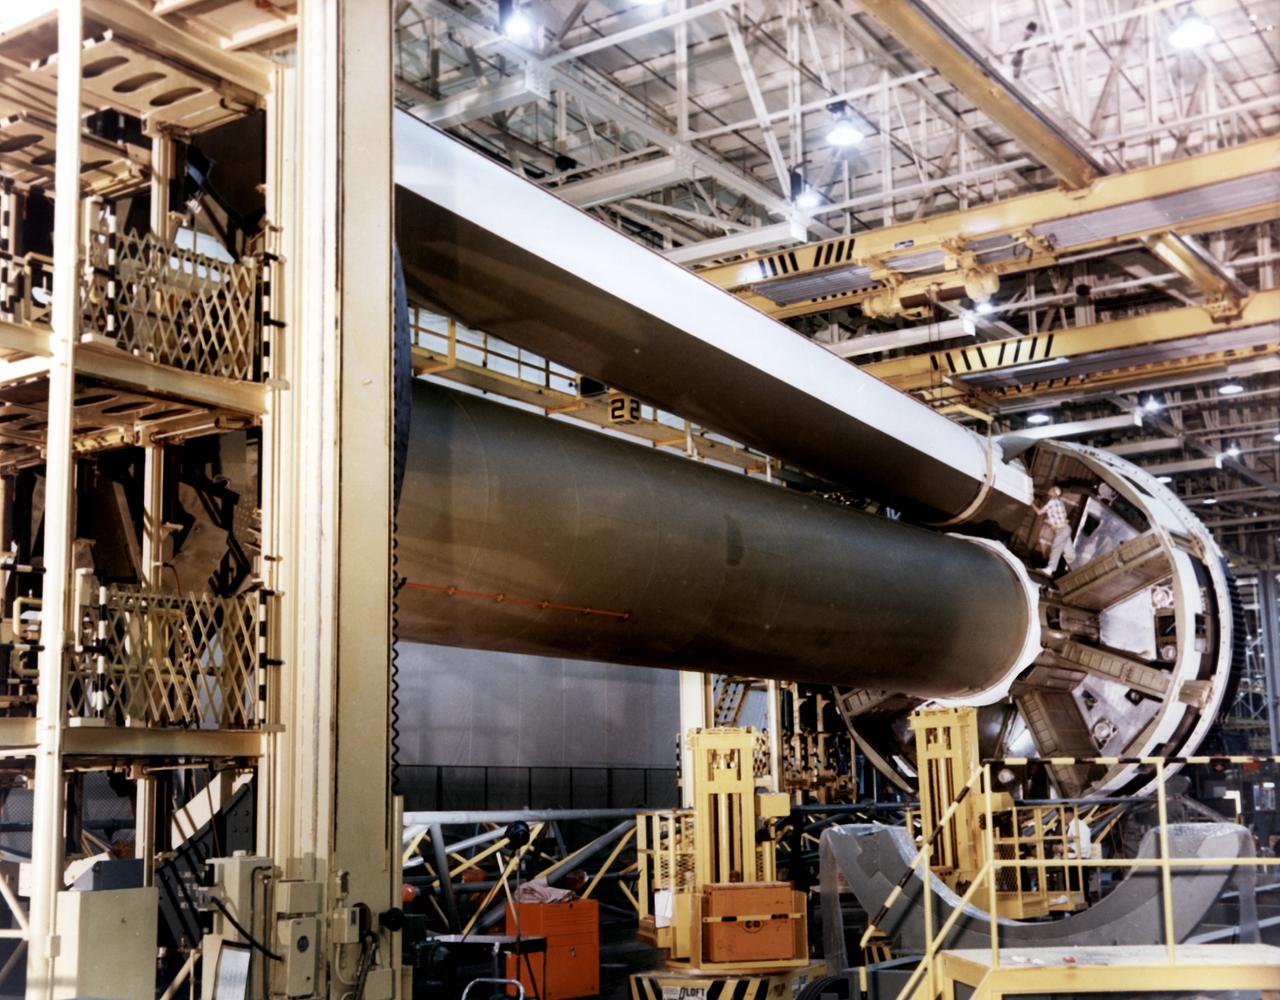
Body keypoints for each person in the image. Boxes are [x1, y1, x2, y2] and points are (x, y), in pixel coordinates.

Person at [1033, 485, 1075, 574]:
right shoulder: (1059, 502)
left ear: (1055, 493)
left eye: (1051, 489)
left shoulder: (1052, 501)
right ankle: (1074, 566)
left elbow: (1039, 512)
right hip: (1065, 528)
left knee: (1056, 547)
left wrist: (1031, 502)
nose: (1049, 490)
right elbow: (1056, 517)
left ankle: (1050, 569)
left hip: (1062, 530)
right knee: (1069, 553)